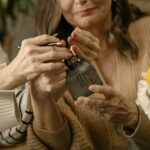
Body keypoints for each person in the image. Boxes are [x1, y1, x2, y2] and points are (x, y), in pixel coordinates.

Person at [1, 0, 150, 149]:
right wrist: (42, 99)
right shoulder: (48, 63)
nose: (80, 0)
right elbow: (54, 146)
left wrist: (133, 117)